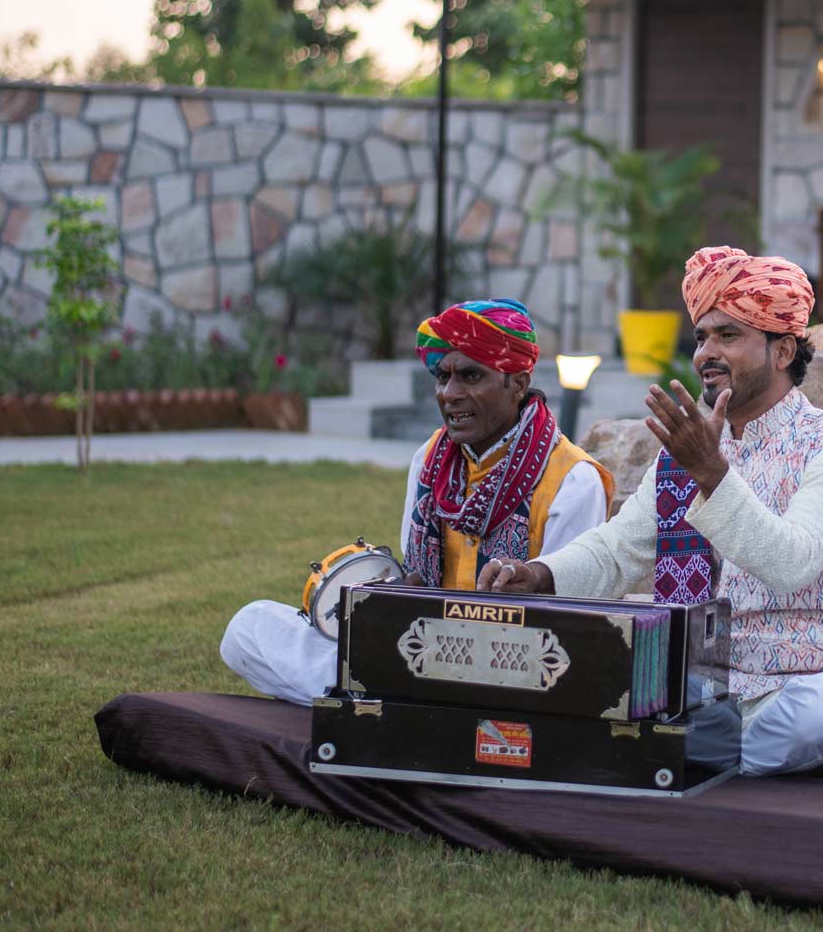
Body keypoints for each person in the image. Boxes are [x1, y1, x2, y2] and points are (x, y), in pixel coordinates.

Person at [477, 246, 823, 777]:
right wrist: (540, 574)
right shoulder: (689, 448)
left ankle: (655, 750)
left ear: (782, 352)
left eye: (728, 336)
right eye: (701, 337)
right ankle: (679, 747)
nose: (705, 353)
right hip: (691, 683)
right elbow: (620, 548)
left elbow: (790, 563)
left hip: (793, 686)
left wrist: (712, 473)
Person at [220, 299, 613, 704]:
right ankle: (389, 697)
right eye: (442, 377)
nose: (450, 394)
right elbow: (418, 578)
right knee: (249, 626)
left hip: (513, 666)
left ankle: (374, 699)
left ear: (517, 382)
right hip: (418, 651)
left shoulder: (572, 479)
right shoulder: (430, 459)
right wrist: (384, 599)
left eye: (471, 376)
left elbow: (569, 619)